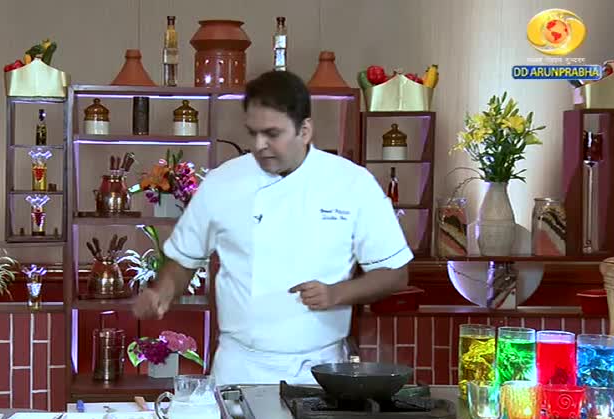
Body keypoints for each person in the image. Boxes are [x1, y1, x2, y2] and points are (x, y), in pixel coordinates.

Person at [132, 70, 413, 386]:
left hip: (318, 370)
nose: (259, 145)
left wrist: (338, 293)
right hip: (240, 366)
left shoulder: (352, 184)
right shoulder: (222, 183)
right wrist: (162, 292)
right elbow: (184, 259)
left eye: (272, 134)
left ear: (304, 130)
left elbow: (395, 273)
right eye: (253, 133)